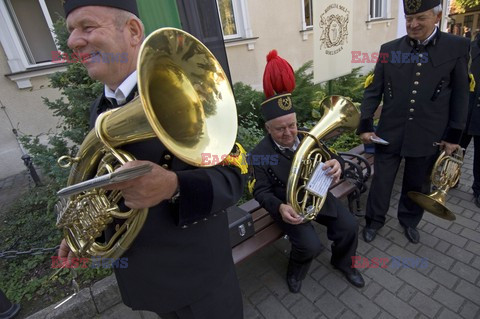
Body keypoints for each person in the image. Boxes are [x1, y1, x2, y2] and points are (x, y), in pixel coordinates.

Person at [57, 1, 246, 318]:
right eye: (71, 31)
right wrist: (80, 234)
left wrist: (173, 186)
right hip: (147, 283)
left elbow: (233, 179)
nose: (73, 41)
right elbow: (102, 192)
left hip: (200, 283)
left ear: (132, 31)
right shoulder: (99, 108)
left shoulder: (189, 92)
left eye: (87, 27)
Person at [251, 50, 365, 293]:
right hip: (289, 205)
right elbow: (260, 191)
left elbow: (331, 155)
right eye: (280, 129)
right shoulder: (259, 153)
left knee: (349, 226)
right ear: (268, 128)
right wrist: (280, 207)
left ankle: (343, 263)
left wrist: (338, 165)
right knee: (309, 246)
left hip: (317, 194)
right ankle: (296, 270)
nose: (289, 133)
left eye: (292, 125)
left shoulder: (306, 135)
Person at [357, 0, 470, 244]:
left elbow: (461, 94)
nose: (413, 24)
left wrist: (454, 136)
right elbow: (373, 91)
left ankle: (408, 221)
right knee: (381, 181)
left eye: (421, 18)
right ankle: (374, 221)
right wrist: (365, 124)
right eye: (409, 19)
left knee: (417, 181)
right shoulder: (389, 49)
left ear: (437, 17)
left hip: (430, 132)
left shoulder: (457, 47)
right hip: (389, 131)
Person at [460, 36, 480, 208]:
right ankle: (450, 180)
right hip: (465, 111)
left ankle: (478, 190)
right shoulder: (468, 48)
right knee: (457, 149)